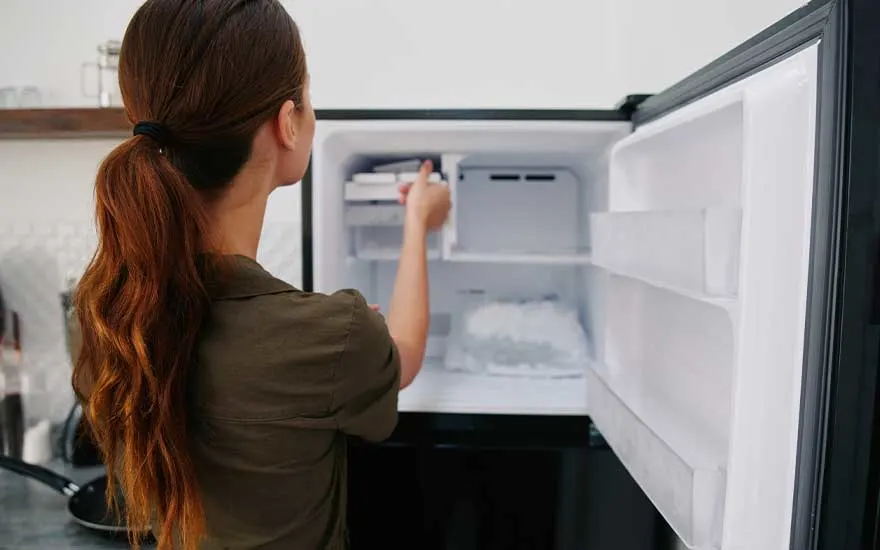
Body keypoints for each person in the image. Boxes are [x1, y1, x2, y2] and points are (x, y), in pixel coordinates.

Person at [69, 1, 451, 549]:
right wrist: (418, 223)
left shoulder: (102, 315)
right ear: (287, 123)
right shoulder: (332, 336)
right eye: (309, 98)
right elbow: (406, 353)